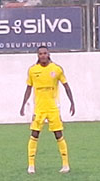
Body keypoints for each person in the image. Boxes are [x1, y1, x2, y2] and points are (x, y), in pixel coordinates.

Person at [20, 46, 76, 174]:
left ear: (48, 54)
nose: (43, 56)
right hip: (39, 108)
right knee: (34, 134)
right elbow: (28, 88)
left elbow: (66, 86)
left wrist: (72, 102)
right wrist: (23, 104)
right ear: (37, 55)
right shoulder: (33, 70)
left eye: (45, 53)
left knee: (58, 134)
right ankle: (31, 166)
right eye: (40, 54)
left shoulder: (56, 69)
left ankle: (65, 164)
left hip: (53, 107)